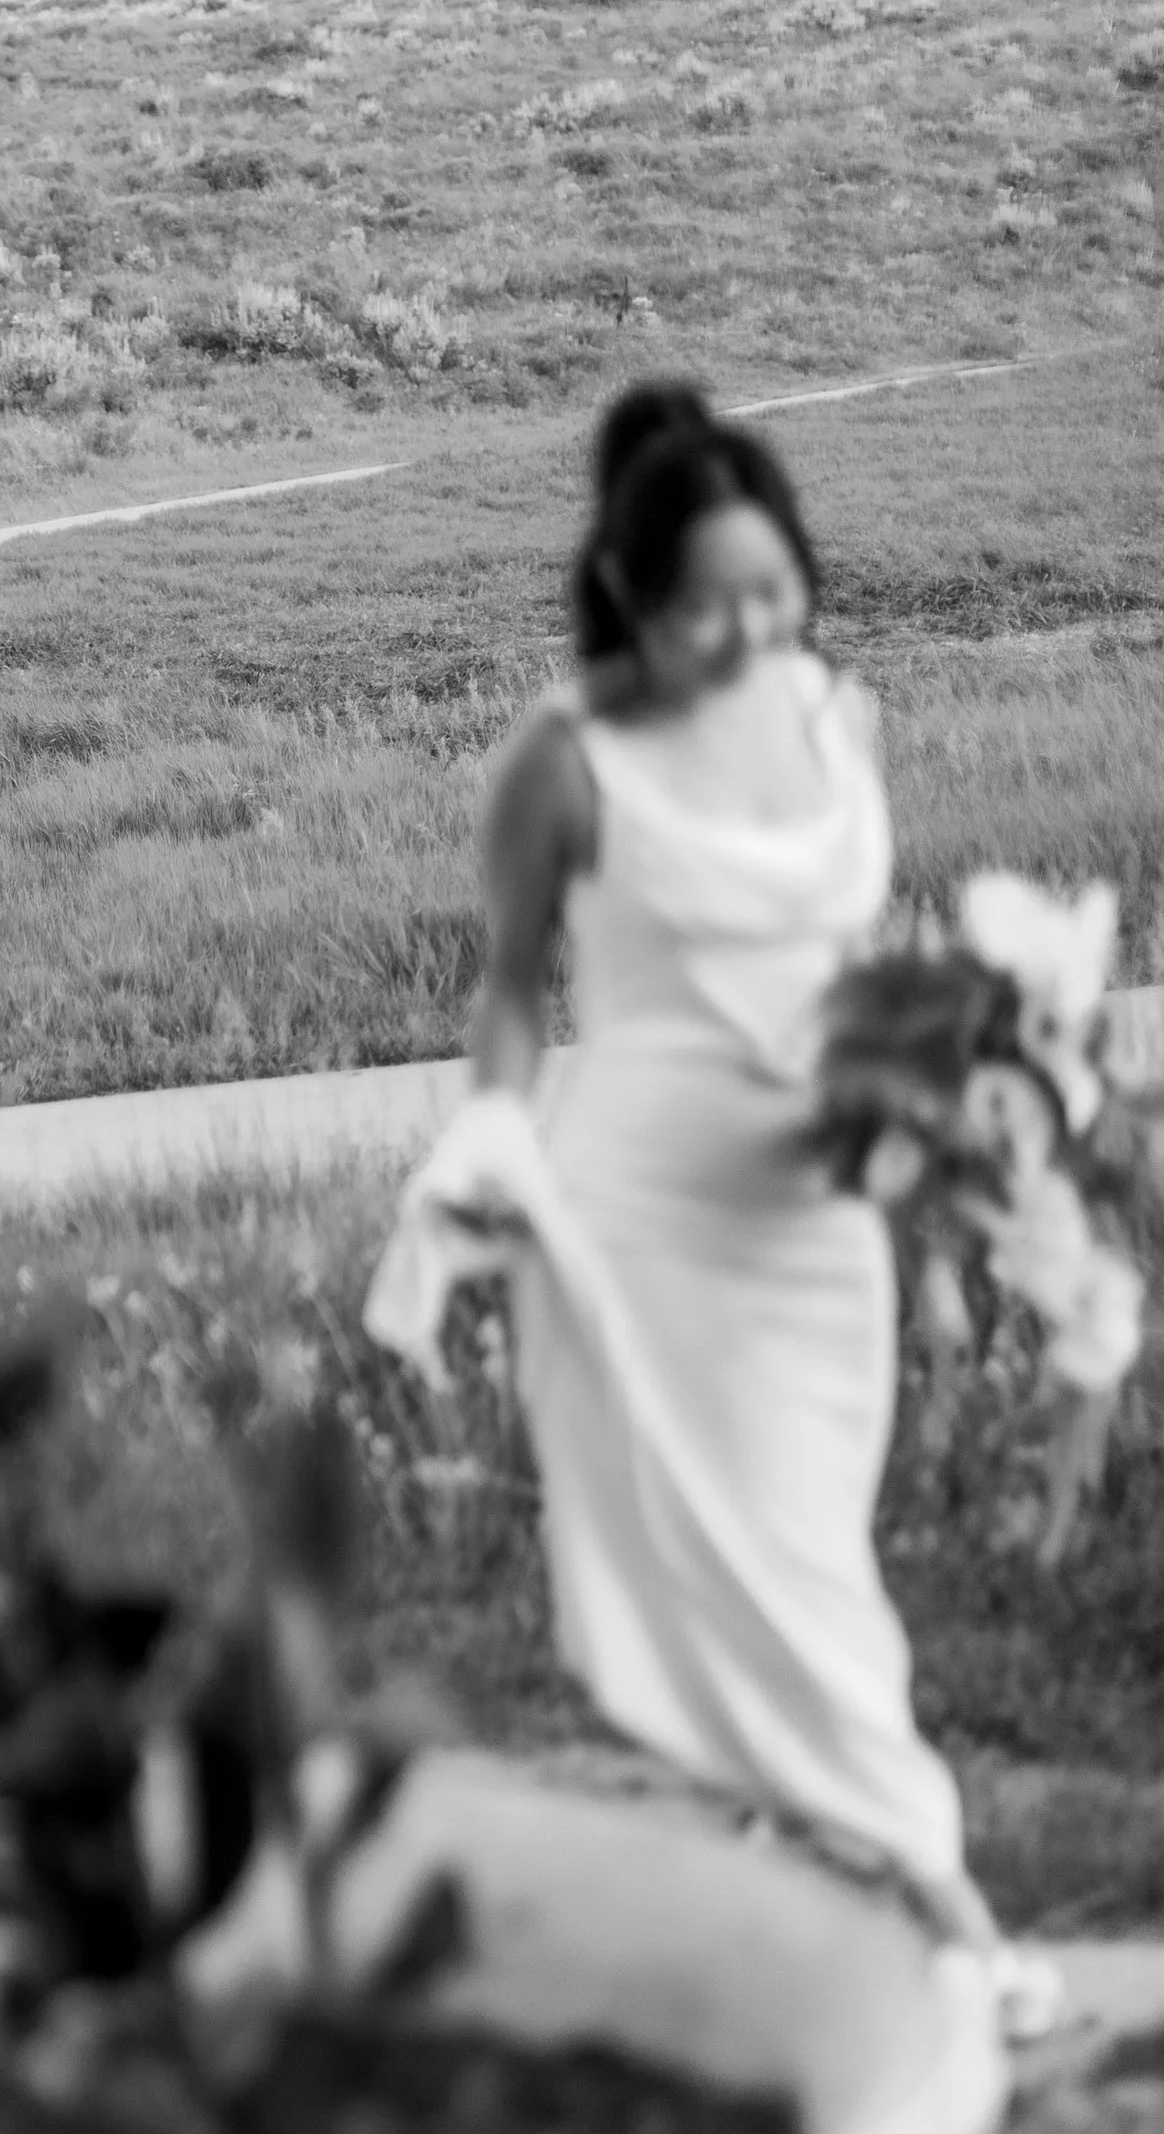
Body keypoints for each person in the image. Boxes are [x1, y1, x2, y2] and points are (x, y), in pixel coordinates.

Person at [364, 382, 1050, 2017]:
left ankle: (759, 1922)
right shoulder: (568, 760)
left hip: (820, 1219)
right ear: (632, 601)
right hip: (647, 1227)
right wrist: (490, 1142)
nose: (745, 633)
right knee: (784, 1592)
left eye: (771, 591)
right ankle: (956, 1929)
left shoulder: (838, 718)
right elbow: (512, 994)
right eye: (700, 607)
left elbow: (861, 971)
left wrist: (946, 1170)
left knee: (807, 1549)